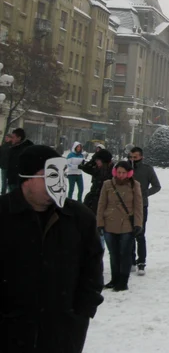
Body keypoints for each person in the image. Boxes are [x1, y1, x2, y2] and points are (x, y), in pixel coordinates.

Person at [0, 145, 104, 352]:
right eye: (49, 175)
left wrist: (80, 314)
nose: (58, 183)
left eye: (62, 175)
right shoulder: (3, 215)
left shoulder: (79, 218)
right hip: (9, 334)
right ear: (26, 178)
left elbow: (91, 270)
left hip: (62, 333)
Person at [97, 160, 143, 292]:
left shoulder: (135, 185)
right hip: (109, 223)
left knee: (125, 253)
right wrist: (99, 223)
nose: (121, 175)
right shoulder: (107, 184)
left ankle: (123, 281)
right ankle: (114, 279)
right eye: (119, 172)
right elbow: (101, 205)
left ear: (129, 173)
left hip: (126, 225)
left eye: (123, 172)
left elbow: (138, 206)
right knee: (114, 254)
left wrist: (138, 224)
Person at [129, 146, 161, 276]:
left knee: (140, 234)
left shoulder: (147, 169)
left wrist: (144, 194)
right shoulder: (125, 168)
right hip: (126, 206)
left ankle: (141, 262)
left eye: (135, 157)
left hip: (141, 206)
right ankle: (130, 260)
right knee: (127, 234)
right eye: (131, 157)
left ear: (141, 157)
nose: (132, 159)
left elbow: (157, 186)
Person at [82, 149, 114, 215]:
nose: (96, 162)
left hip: (105, 203)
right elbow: (85, 167)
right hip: (92, 200)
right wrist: (94, 158)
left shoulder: (113, 172)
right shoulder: (97, 169)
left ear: (104, 161)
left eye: (98, 160)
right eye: (96, 160)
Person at [6, 127, 33, 193]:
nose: (11, 139)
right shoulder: (13, 149)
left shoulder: (25, 150)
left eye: (13, 137)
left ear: (19, 138)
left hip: (19, 182)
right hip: (12, 180)